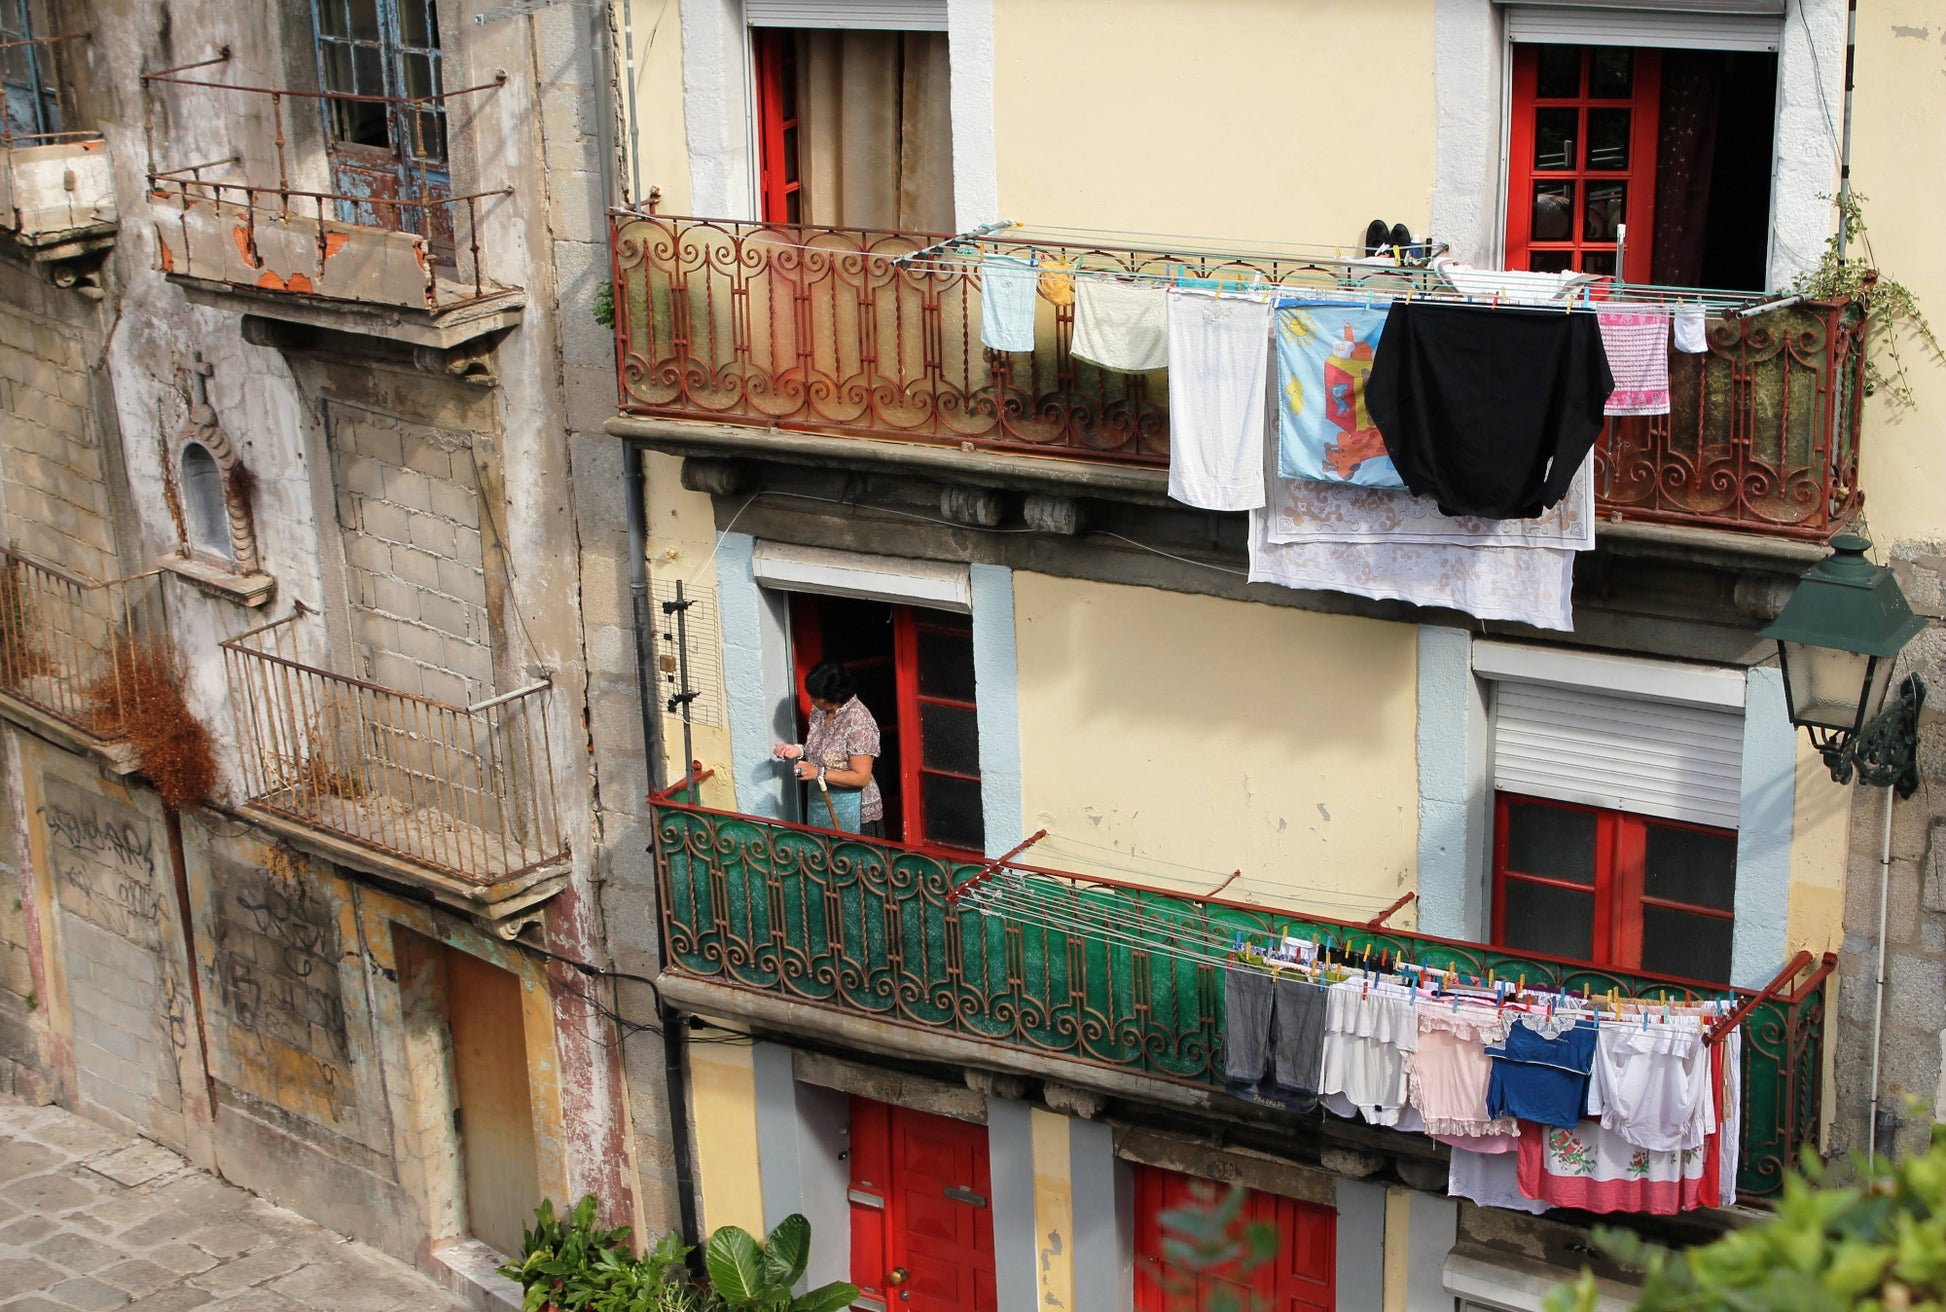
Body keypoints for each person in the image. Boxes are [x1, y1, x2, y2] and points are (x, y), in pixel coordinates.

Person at [772, 661, 883, 836]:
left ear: (834, 696)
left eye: (816, 696)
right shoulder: (819, 710)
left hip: (853, 810)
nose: (810, 700)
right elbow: (824, 748)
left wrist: (818, 773)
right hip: (820, 802)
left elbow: (861, 777)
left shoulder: (858, 720)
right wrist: (798, 750)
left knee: (849, 859)